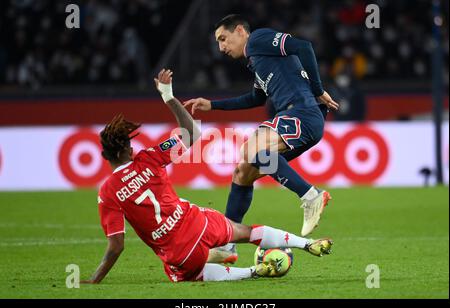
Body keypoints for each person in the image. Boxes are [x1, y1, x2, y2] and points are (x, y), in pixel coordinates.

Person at [81, 69, 333, 283]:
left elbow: (116, 246)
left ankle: (252, 271)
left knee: (185, 272)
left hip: (179, 251)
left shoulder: (108, 192)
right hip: (200, 223)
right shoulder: (149, 157)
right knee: (245, 231)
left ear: (104, 156)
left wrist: (95, 279)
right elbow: (192, 134)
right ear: (129, 147)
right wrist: (168, 96)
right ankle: (305, 243)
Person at [184, 15, 339, 259]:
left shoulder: (257, 40)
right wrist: (212, 105)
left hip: (301, 114)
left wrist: (318, 91)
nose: (221, 47)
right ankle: (227, 243)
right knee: (243, 172)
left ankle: (311, 196)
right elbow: (254, 99)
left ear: (239, 31)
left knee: (250, 150)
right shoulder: (258, 61)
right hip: (303, 121)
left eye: (223, 39)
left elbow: (304, 47)